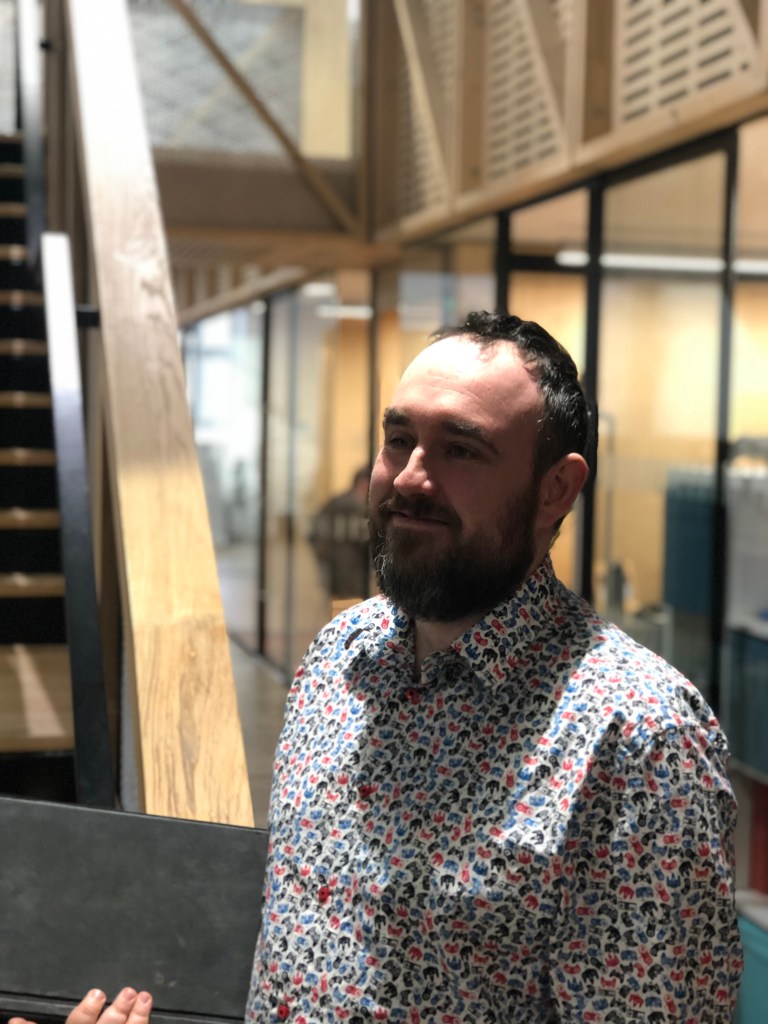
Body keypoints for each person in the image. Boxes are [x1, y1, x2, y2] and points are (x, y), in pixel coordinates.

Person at [16, 312, 742, 1024]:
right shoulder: (339, 656)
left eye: (462, 450)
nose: (411, 477)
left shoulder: (639, 738)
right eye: (399, 439)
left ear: (556, 489)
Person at [309, 466, 371, 599]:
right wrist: (326, 557)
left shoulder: (361, 505)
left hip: (352, 575)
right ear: (363, 482)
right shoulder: (341, 505)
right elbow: (315, 533)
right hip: (342, 573)